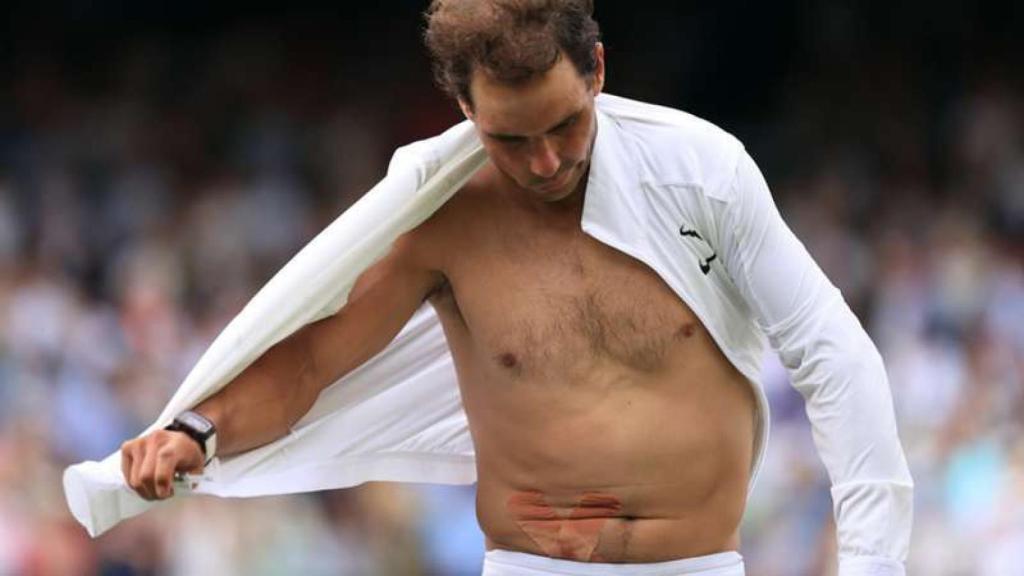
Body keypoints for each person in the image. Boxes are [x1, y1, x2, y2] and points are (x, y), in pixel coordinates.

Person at [119, 1, 913, 574]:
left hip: (696, 565)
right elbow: (309, 363)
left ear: (598, 70)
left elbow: (834, 356)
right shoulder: (438, 217)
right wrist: (197, 429)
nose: (544, 162)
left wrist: (874, 565)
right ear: (463, 107)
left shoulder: (704, 173)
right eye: (509, 139)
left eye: (565, 125)